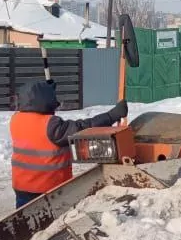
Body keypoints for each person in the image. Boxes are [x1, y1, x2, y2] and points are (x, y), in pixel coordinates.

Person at [10, 80, 128, 208]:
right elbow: (83, 128)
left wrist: (46, 90)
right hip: (47, 191)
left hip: (22, 188)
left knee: (25, 221)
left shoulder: (16, 119)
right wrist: (111, 116)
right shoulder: (50, 124)